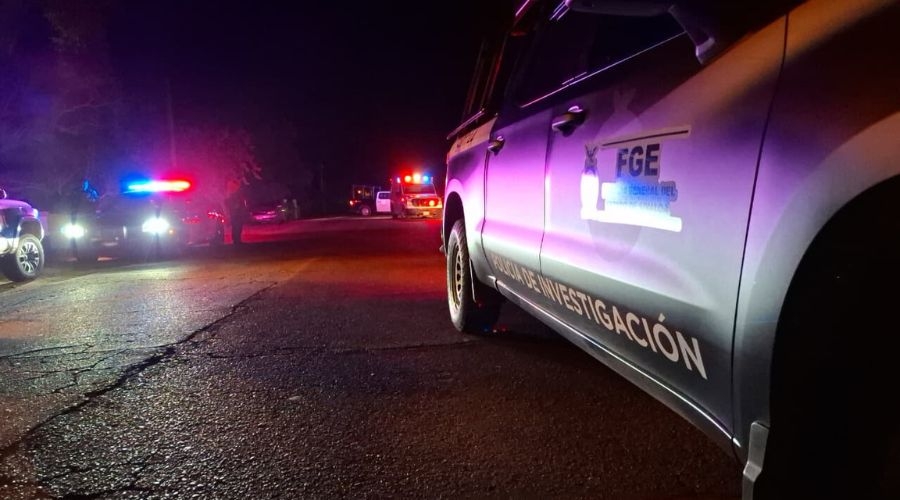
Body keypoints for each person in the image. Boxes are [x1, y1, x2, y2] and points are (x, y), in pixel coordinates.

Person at [224, 179, 249, 245]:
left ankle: (237, 239)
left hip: (237, 212)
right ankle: (236, 239)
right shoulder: (232, 194)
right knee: (236, 226)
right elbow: (228, 202)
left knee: (238, 226)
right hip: (235, 212)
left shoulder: (237, 193)